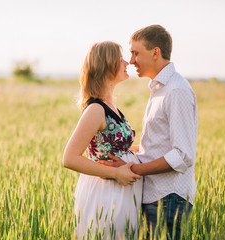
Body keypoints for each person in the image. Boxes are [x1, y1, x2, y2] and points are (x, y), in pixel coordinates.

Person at [99, 25, 198, 239]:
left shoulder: (176, 90)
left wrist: (132, 169)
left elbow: (182, 155)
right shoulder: (160, 89)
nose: (131, 60)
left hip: (169, 198)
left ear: (155, 52)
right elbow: (156, 145)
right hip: (156, 195)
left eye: (136, 53)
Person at [63, 41, 143, 239]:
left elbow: (112, 148)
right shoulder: (96, 109)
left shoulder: (110, 105)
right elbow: (70, 158)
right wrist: (116, 174)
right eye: (120, 58)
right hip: (106, 192)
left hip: (121, 190)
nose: (127, 62)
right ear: (107, 65)